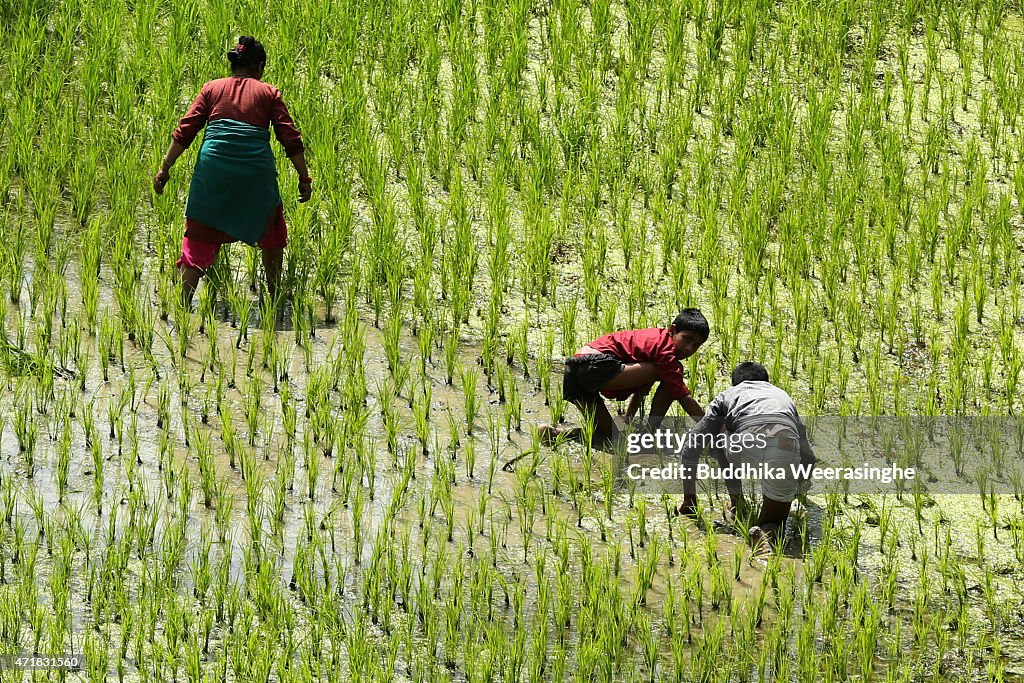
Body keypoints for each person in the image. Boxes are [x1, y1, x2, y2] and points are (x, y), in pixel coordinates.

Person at [153, 36, 311, 306]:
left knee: (198, 240)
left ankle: (181, 308)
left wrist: (164, 168)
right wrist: (303, 177)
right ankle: (274, 299)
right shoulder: (268, 93)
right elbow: (290, 138)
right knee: (271, 236)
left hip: (212, 171)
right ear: (259, 67)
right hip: (255, 175)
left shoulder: (211, 89)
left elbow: (185, 130)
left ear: (234, 65)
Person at [677, 361, 816, 552]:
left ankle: (737, 503)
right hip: (784, 446)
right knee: (774, 523)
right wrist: (796, 488)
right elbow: (808, 456)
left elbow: (691, 447)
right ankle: (766, 533)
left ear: (736, 383)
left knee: (719, 433)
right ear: (766, 381)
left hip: (744, 445)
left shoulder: (728, 395)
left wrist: (689, 500)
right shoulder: (782, 396)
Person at [540, 309, 709, 445]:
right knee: (674, 374)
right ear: (672, 330)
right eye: (687, 339)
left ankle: (556, 434)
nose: (688, 349)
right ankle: (651, 431)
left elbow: (640, 392)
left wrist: (627, 421)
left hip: (574, 373)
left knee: (611, 437)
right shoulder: (664, 348)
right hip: (593, 366)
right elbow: (681, 395)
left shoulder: (656, 354)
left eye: (696, 345)